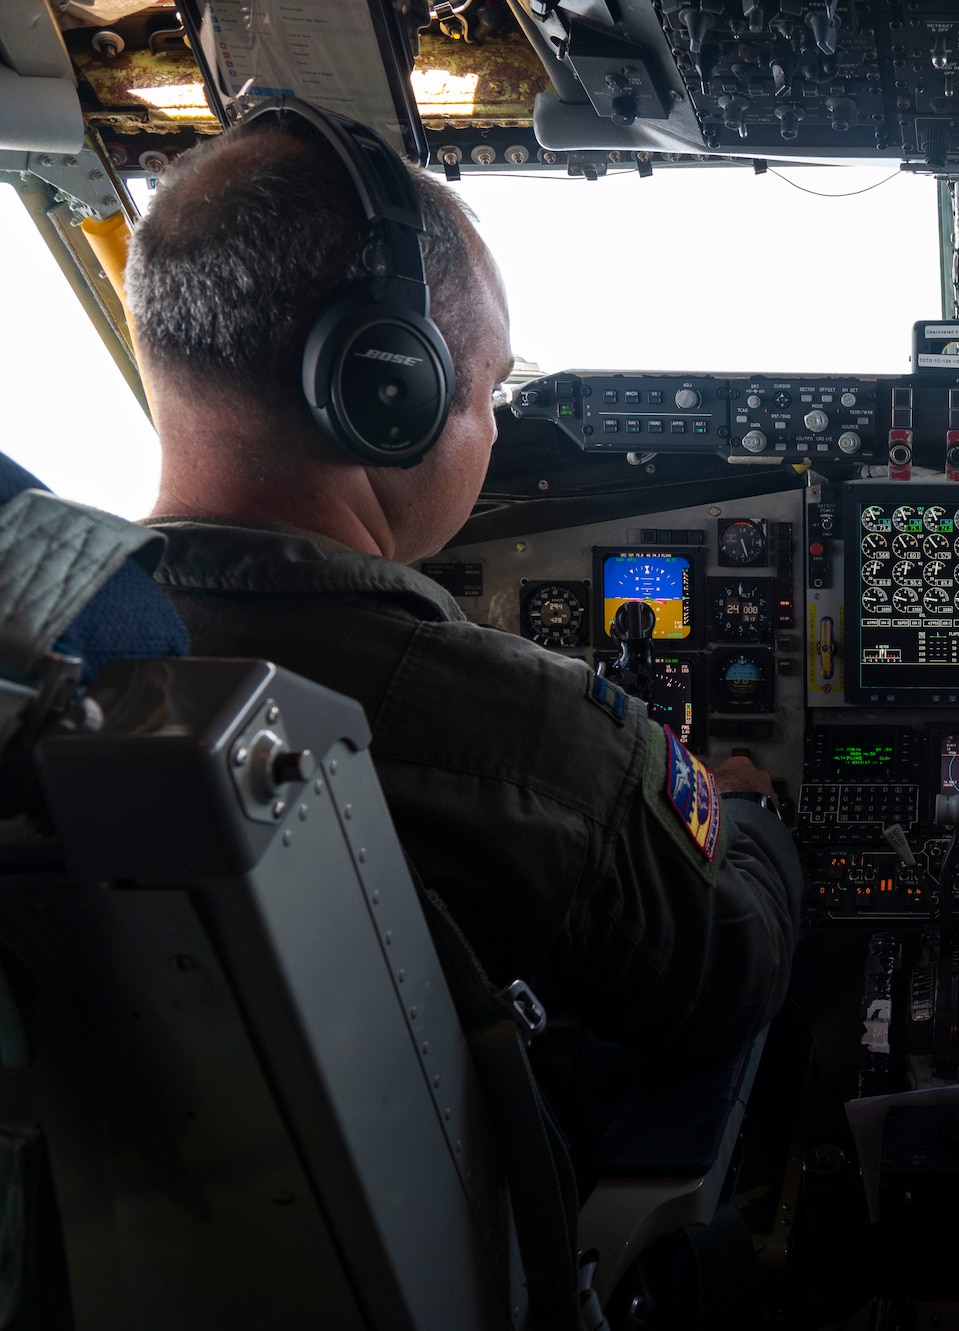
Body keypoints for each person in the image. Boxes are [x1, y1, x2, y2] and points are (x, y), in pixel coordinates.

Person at [123, 110, 802, 1111]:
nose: (492, 424)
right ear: (388, 389)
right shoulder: (525, 745)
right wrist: (742, 806)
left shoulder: (43, 658)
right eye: (488, 386)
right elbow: (727, 977)